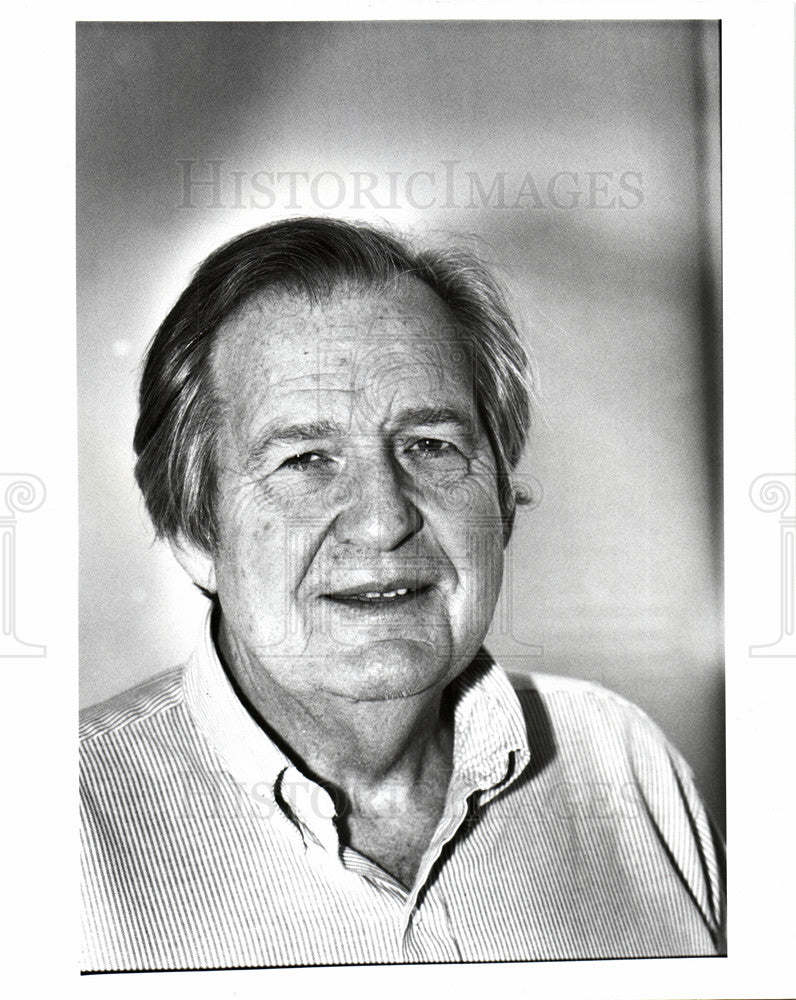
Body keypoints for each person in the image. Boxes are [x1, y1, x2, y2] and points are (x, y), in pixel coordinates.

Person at [80, 217, 725, 971]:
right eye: (306, 459)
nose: (385, 518)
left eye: (430, 446)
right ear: (196, 534)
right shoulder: (49, 829)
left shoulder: (624, 764)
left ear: (501, 505)